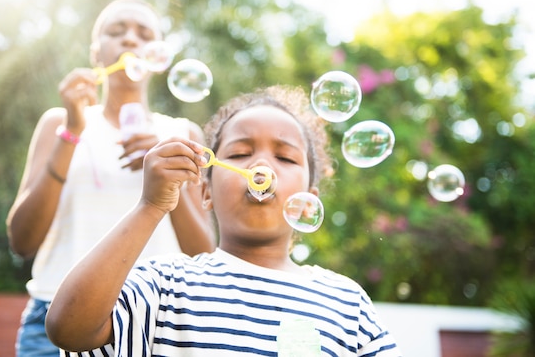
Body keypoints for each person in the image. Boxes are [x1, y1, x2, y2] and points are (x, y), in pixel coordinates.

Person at [45, 85, 402, 356]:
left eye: (286, 157)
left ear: (309, 202)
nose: (261, 166)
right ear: (205, 193)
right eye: (240, 153)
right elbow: (69, 328)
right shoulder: (166, 283)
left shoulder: (346, 301)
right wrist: (151, 206)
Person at [6, 0, 216, 357]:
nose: (130, 40)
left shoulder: (182, 134)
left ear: (158, 57)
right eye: (116, 32)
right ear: (95, 52)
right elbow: (22, 240)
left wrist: (169, 177)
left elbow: (205, 257)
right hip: (54, 317)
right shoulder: (59, 123)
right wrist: (72, 131)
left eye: (144, 33)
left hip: (157, 323)